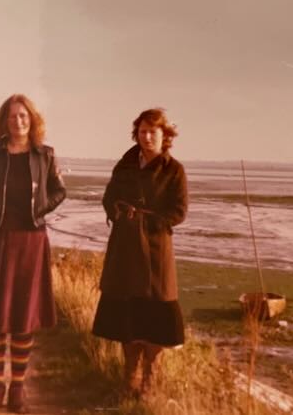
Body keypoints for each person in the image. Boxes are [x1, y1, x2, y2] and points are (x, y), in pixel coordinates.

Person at [0, 94, 66, 413]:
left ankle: (17, 386)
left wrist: (39, 209)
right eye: (12, 116)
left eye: (23, 116)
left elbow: (59, 191)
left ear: (32, 120)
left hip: (31, 241)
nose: (18, 121)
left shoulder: (45, 154)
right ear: (3, 121)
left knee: (22, 316)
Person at [92, 108, 188, 398]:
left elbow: (179, 211)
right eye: (142, 131)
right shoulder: (125, 165)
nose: (147, 137)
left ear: (164, 135)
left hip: (156, 251)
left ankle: (149, 381)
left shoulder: (174, 170)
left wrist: (150, 222)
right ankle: (129, 378)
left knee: (155, 317)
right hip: (124, 248)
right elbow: (109, 197)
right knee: (128, 317)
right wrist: (119, 213)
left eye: (152, 132)